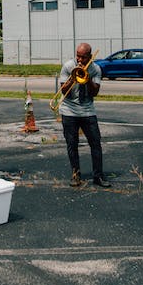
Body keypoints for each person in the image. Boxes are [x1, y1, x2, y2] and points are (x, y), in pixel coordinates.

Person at [58, 43, 110, 187]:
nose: (79, 60)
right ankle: (76, 175)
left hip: (87, 110)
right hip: (69, 110)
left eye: (83, 57)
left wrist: (87, 81)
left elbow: (95, 92)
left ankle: (98, 176)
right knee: (72, 144)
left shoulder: (95, 69)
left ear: (89, 56)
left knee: (96, 143)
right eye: (78, 56)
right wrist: (73, 79)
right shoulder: (68, 66)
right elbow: (63, 91)